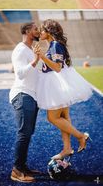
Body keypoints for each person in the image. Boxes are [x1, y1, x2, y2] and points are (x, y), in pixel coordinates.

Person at [34, 19, 92, 160]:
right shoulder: (54, 45)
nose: (40, 33)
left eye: (42, 30)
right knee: (63, 118)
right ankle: (67, 148)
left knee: (52, 117)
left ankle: (81, 136)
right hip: (59, 84)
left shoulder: (55, 45)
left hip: (56, 84)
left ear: (49, 32)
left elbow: (58, 68)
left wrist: (41, 56)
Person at [9, 22, 41, 183]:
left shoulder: (30, 49)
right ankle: (16, 170)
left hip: (32, 96)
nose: (39, 31)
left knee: (28, 133)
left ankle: (22, 165)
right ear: (28, 31)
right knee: (23, 133)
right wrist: (35, 61)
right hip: (22, 94)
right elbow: (20, 74)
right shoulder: (20, 50)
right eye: (36, 29)